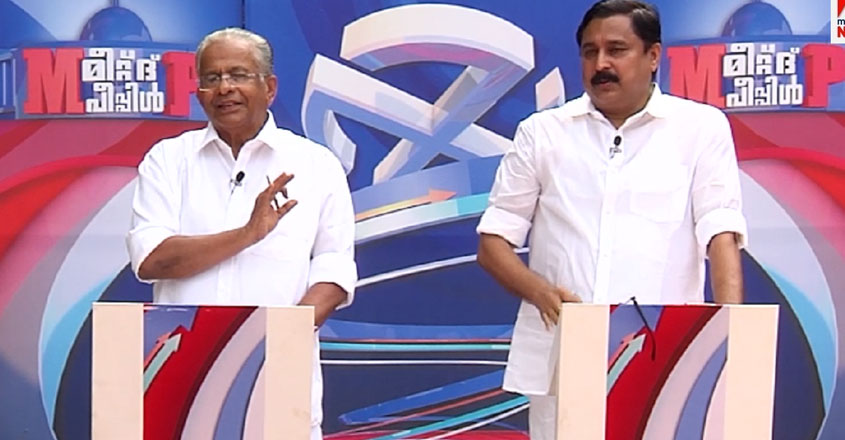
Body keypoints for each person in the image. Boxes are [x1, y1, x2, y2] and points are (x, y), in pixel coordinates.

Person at [475, 1, 746, 438]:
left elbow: (721, 231)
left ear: (653, 56)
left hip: (664, 359)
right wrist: (541, 292)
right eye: (590, 52)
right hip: (564, 354)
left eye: (616, 50)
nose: (600, 64)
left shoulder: (699, 128)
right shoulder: (542, 132)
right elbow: (493, 243)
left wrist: (731, 334)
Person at [126, 28, 356, 439]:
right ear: (199, 93)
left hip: (278, 376)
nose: (224, 88)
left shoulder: (316, 164)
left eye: (238, 75)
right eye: (211, 78)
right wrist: (247, 234)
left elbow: (334, 269)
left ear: (270, 88)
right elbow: (152, 258)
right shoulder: (168, 160)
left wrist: (280, 339)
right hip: (181, 374)